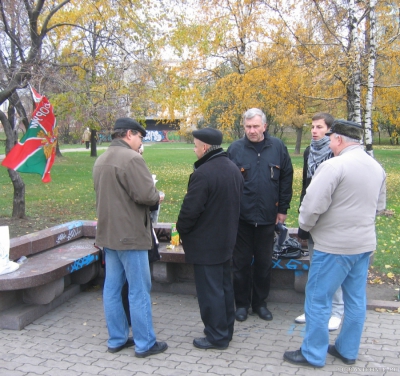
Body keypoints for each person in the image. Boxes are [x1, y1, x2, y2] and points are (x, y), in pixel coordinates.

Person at [284, 119, 386, 368]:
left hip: (333, 247)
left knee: (318, 299)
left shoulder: (334, 166)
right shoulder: (376, 167)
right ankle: (347, 349)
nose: (328, 141)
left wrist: (305, 227)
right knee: (355, 300)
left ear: (339, 139)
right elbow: (379, 208)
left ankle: (313, 353)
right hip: (363, 245)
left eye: (330, 138)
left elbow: (312, 205)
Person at [93, 117, 167, 358]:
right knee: (138, 290)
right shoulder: (132, 159)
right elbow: (146, 195)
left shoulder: (101, 159)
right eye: (139, 137)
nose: (140, 142)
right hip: (131, 237)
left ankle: (117, 339)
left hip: (108, 235)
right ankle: (145, 343)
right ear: (128, 134)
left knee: (112, 289)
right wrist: (158, 196)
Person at [177, 128, 244, 350]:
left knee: (210, 293)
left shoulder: (204, 173)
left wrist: (181, 229)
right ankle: (225, 330)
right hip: (226, 240)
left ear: (205, 147)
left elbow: (190, 212)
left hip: (206, 243)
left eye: (195, 145)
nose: (194, 149)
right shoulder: (232, 168)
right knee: (224, 289)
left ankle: (216, 336)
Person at [227, 108, 293, 322]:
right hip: (241, 218)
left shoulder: (278, 148)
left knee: (264, 265)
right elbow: (227, 182)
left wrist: (282, 209)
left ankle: (260, 304)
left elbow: (286, 179)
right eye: (248, 127)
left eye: (256, 126)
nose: (252, 131)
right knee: (241, 265)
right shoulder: (235, 149)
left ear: (264, 126)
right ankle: (242, 305)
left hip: (268, 217)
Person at [295, 113, 344, 331]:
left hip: (331, 218)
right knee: (315, 266)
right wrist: (303, 213)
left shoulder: (337, 154)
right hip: (312, 215)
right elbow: (307, 186)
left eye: (319, 127)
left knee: (331, 268)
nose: (314, 131)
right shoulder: (309, 151)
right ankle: (313, 309)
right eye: (312, 127)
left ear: (330, 131)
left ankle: (337, 311)